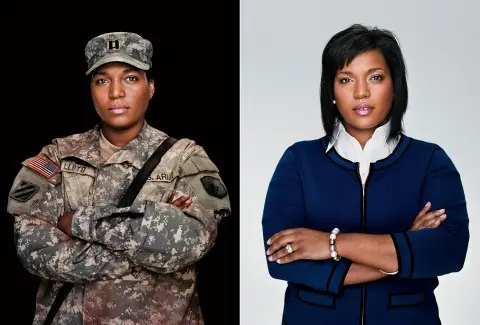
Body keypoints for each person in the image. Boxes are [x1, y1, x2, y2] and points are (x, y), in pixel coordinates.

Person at [7, 31, 231, 325]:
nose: (115, 92)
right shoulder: (57, 156)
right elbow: (32, 247)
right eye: (102, 80)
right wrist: (144, 246)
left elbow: (192, 241)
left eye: (130, 78)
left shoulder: (184, 158)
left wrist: (77, 222)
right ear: (91, 89)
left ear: (150, 88)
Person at [262, 24, 469, 325]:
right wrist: (403, 248)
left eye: (375, 77)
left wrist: (330, 244)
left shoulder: (429, 161)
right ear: (331, 90)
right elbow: (281, 260)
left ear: (395, 85)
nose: (361, 92)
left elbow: (449, 250)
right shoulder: (299, 160)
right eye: (346, 79)